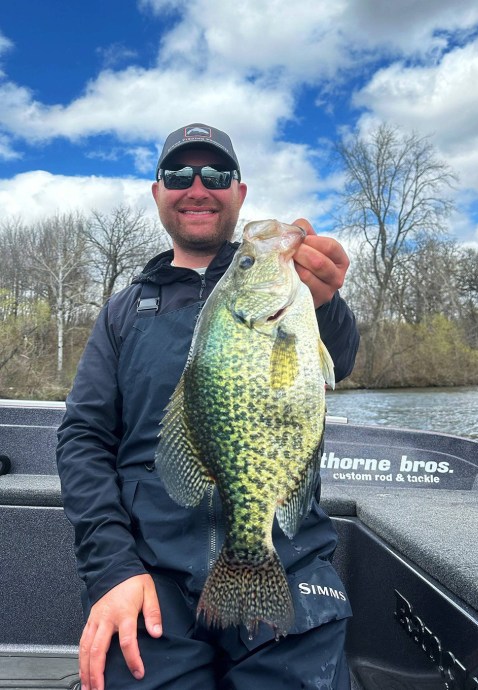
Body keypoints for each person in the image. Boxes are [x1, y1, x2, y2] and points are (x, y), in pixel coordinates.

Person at [56, 123, 359, 690]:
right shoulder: (124, 313)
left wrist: (327, 301)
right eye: (179, 174)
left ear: (239, 193)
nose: (198, 187)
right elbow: (82, 439)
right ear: (158, 192)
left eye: (216, 175)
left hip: (287, 559)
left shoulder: (290, 286)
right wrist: (112, 570)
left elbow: (336, 363)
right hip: (152, 575)